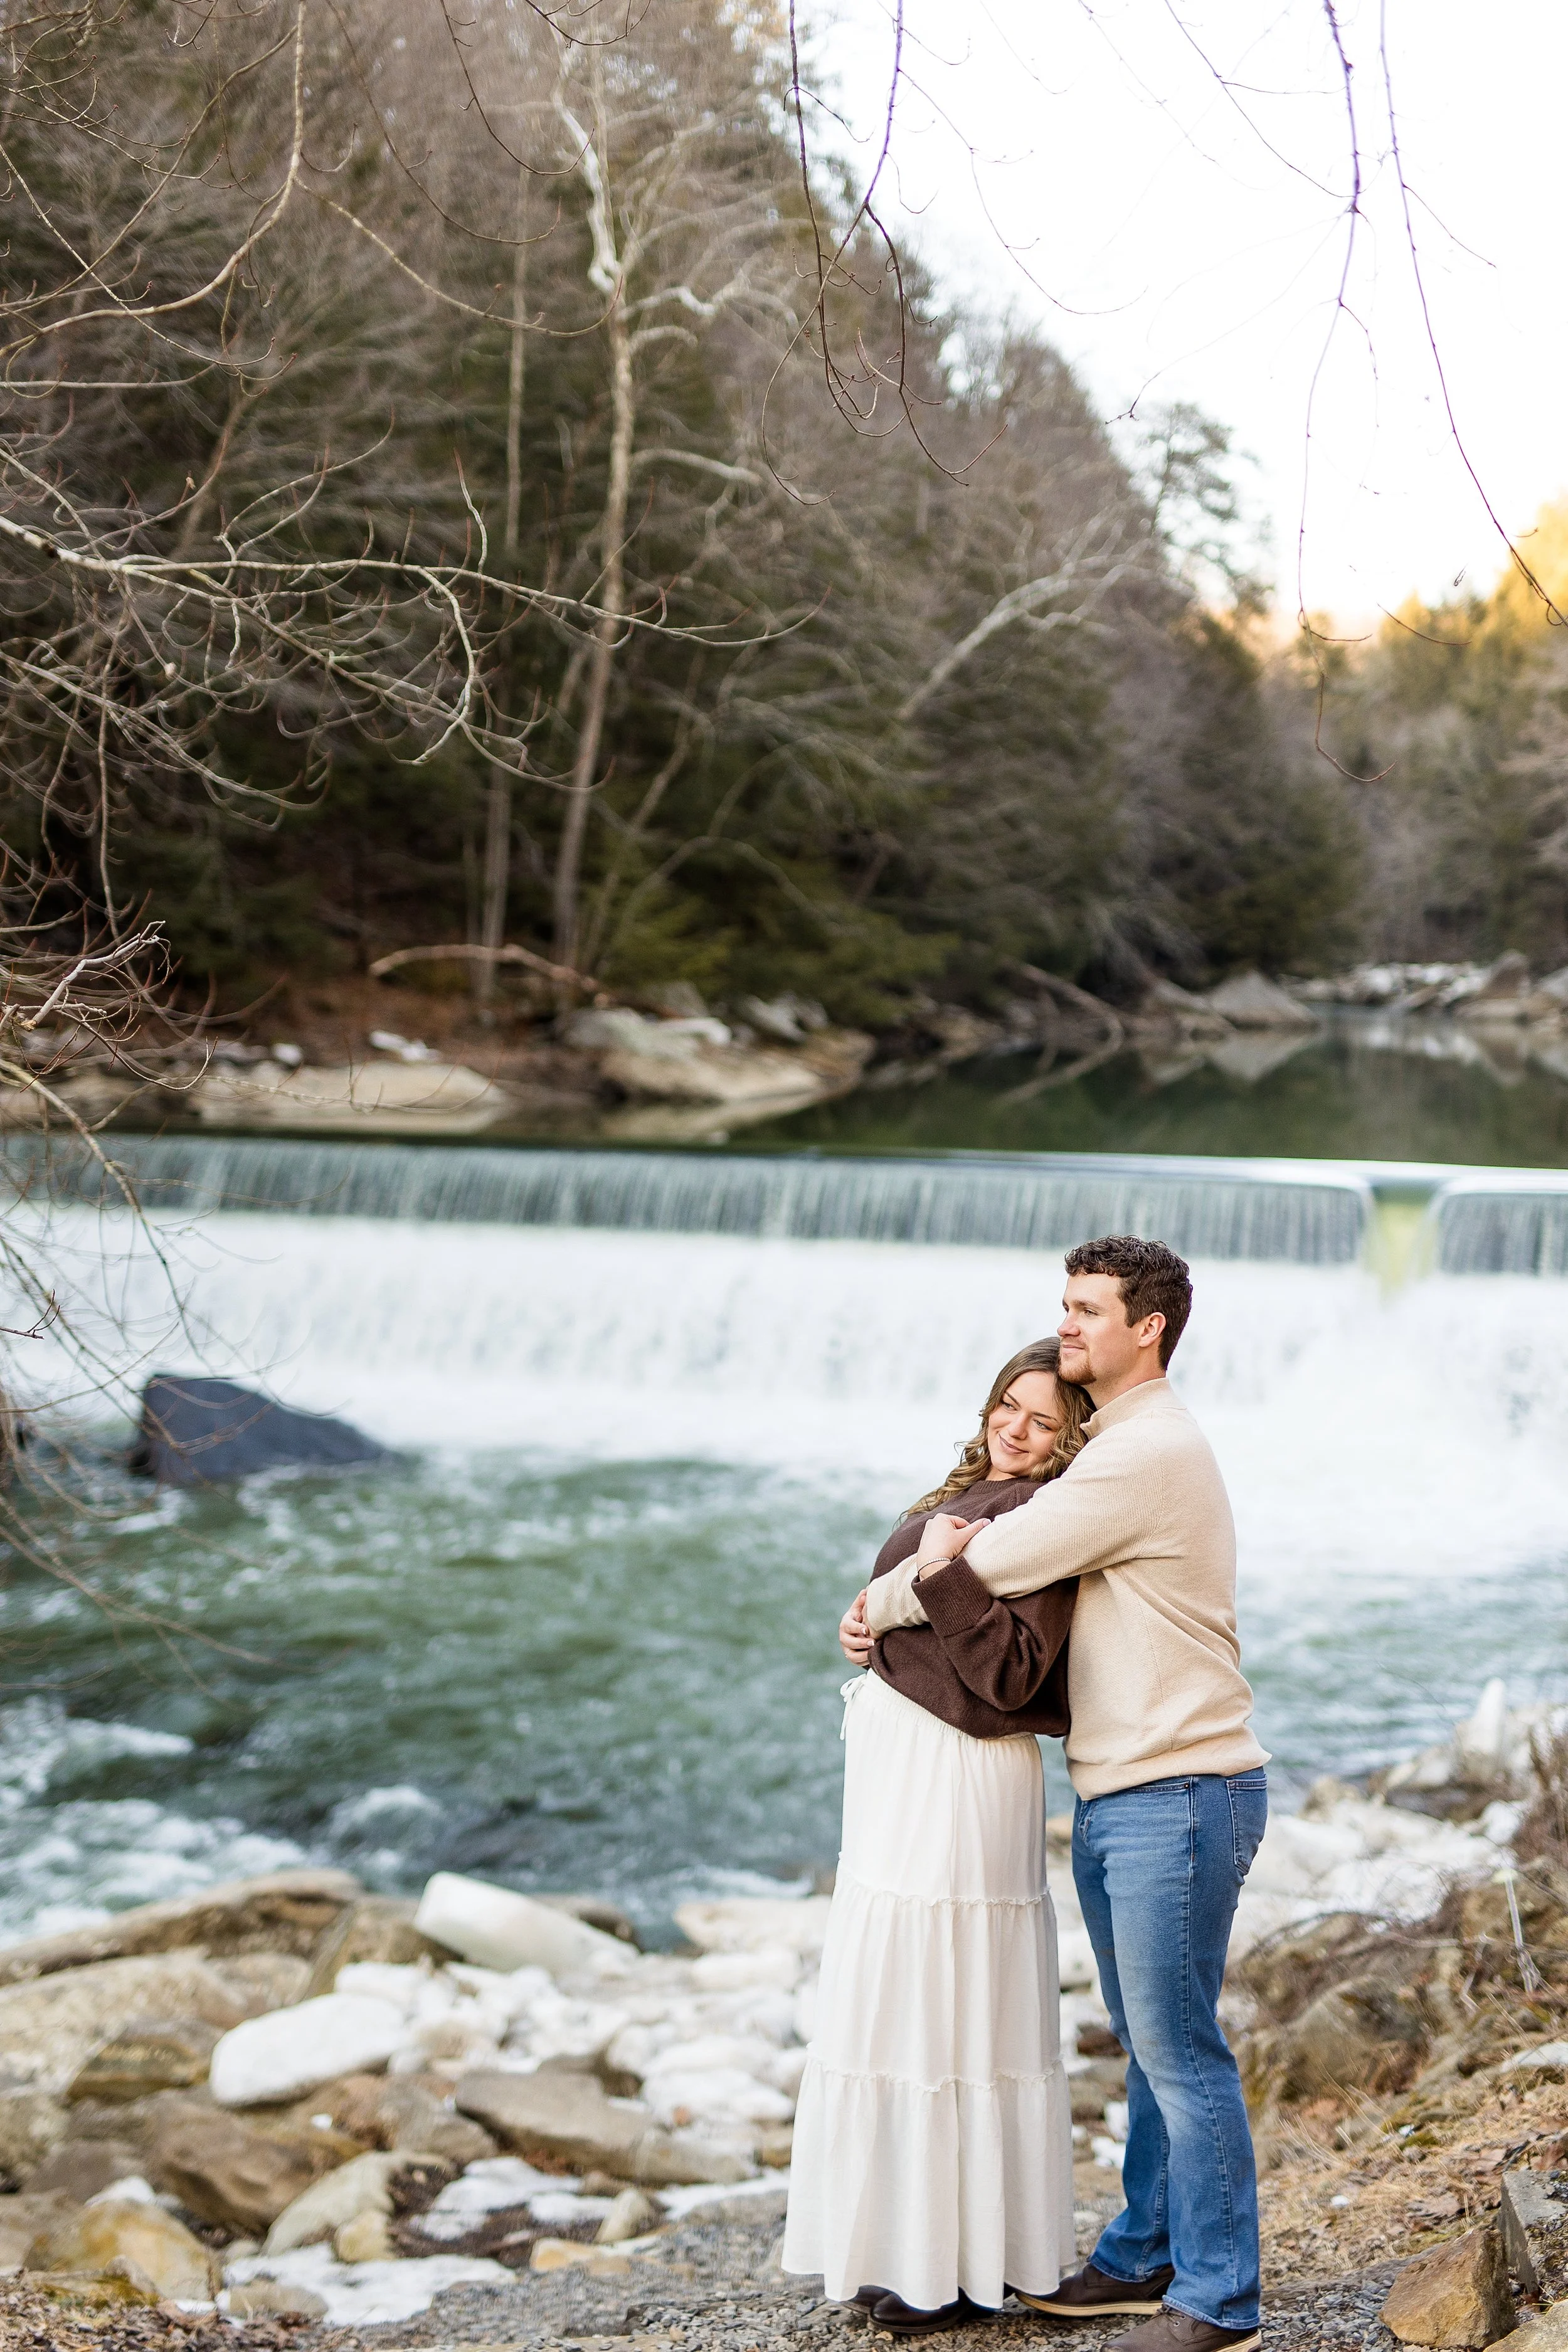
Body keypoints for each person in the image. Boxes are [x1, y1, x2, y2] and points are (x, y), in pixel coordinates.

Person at [862, 1236, 1268, 2352]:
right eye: (1066, 1304)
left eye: (1089, 1309)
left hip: (1180, 1786)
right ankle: (1143, 2257)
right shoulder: (1120, 1446)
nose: (1069, 1324)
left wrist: (873, 1603)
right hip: (1132, 1786)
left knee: (1181, 2049)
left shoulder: (1145, 1455)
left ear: (1151, 1329)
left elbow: (991, 1560)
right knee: (1149, 2039)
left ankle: (1219, 2300)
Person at [781, 1338, 1091, 2338]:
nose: (1016, 1427)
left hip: (965, 1769)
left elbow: (1014, 1673)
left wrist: (934, 1578)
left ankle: (957, 2269)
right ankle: (907, 2246)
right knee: (899, 1998)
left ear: (1069, 1440)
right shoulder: (973, 1489)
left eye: (1044, 1421)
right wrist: (867, 1614)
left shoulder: (1050, 1520)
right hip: (903, 1770)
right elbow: (909, 1597)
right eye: (1010, 1404)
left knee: (951, 2004)